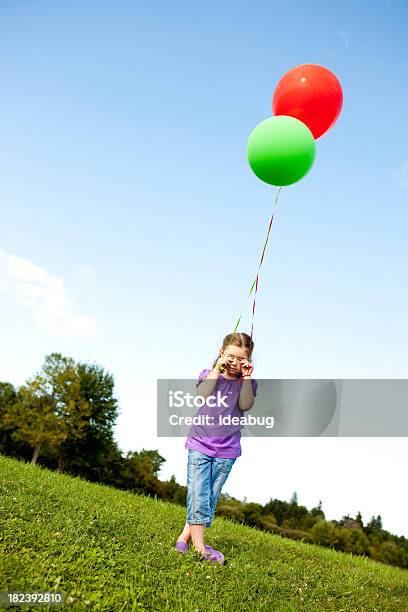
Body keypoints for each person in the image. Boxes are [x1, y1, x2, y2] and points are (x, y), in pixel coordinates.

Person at [175, 332, 257, 564]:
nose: (234, 362)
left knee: (208, 498)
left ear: (248, 360)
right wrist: (217, 370)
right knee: (197, 493)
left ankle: (184, 536)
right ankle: (200, 548)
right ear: (221, 353)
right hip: (200, 444)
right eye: (230, 356)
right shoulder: (209, 375)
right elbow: (202, 395)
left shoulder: (246, 383)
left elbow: (245, 404)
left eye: (241, 359)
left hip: (227, 450)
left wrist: (248, 378)